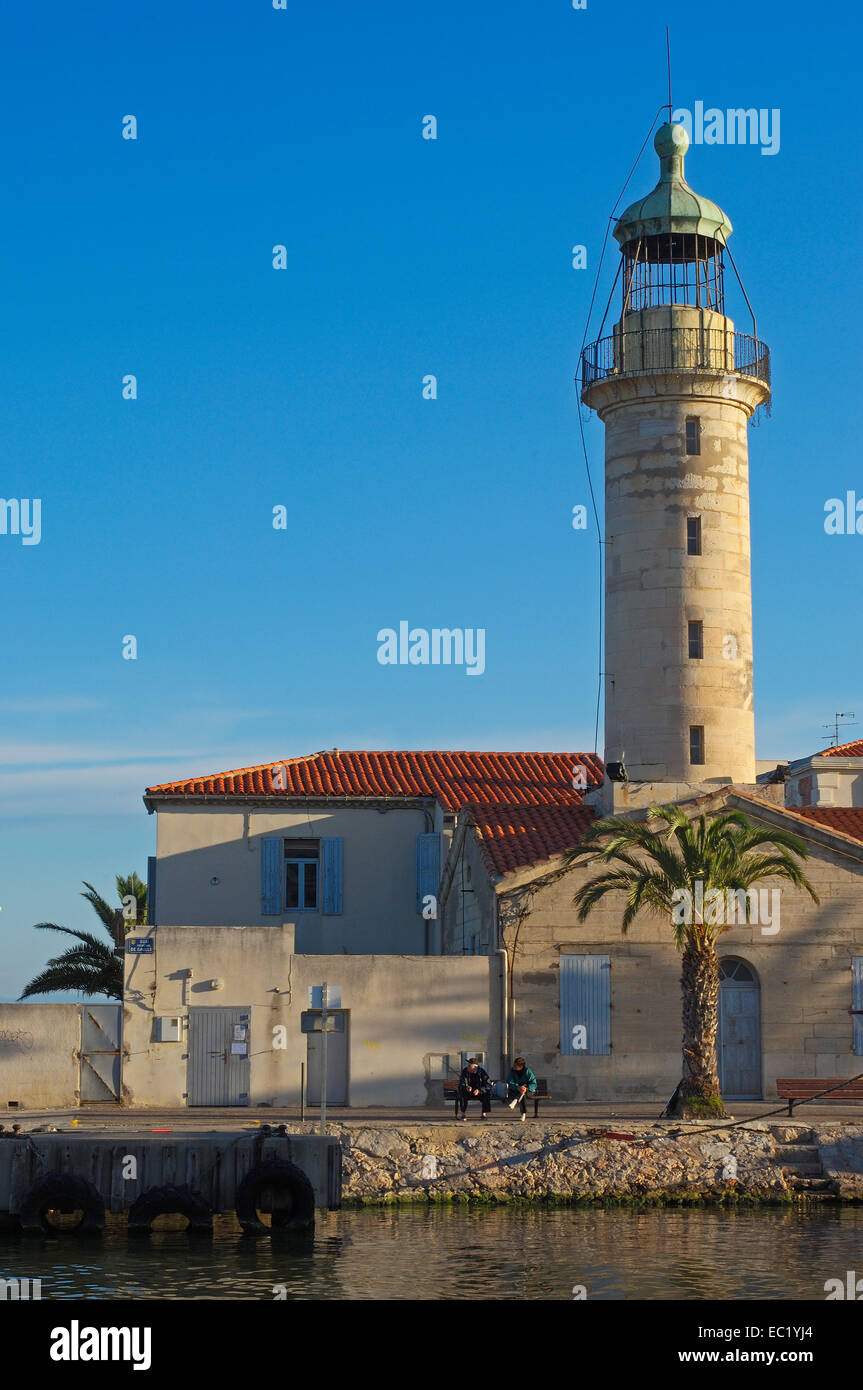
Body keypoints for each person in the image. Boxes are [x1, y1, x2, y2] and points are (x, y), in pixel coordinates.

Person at [505, 1056, 537, 1121]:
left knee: (523, 1094)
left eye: (515, 1065)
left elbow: (534, 1083)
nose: (513, 1066)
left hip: (529, 1090)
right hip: (517, 1090)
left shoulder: (528, 1071)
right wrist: (517, 1086)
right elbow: (509, 1082)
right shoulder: (512, 1071)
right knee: (522, 1094)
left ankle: (517, 1104)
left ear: (521, 1066)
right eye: (514, 1065)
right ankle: (523, 1113)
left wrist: (526, 1088)